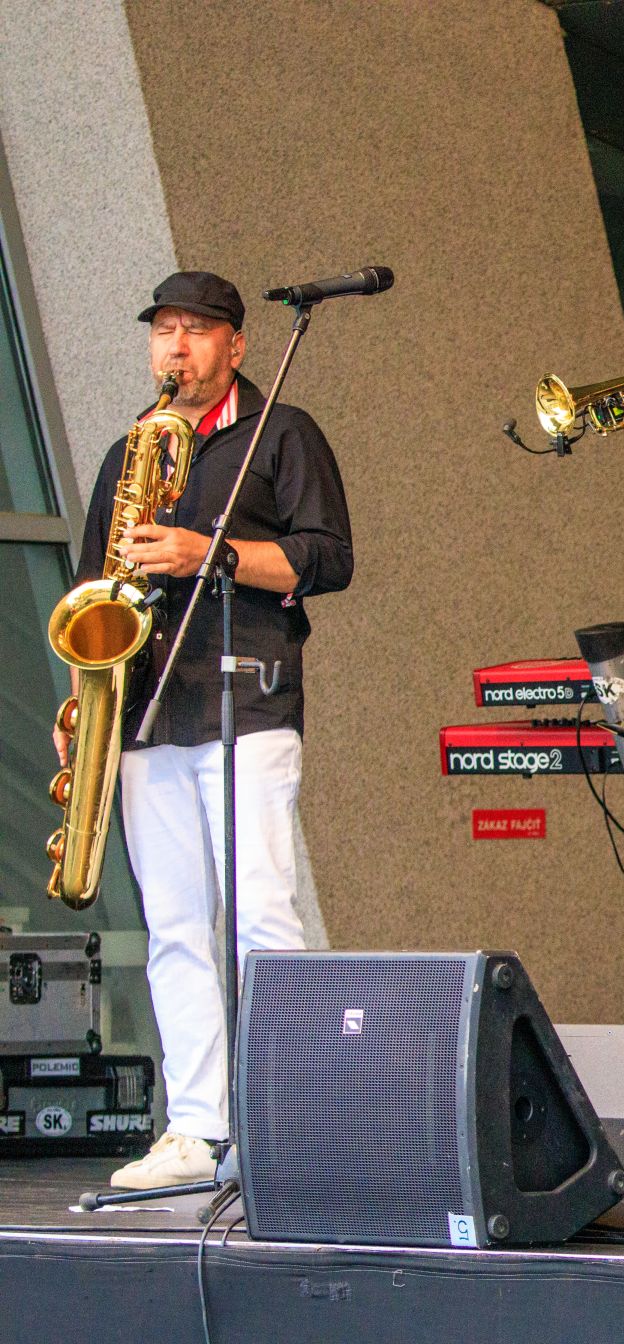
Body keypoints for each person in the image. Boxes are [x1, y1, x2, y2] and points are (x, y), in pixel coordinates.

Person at [58, 271, 352, 1190]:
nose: (175, 347)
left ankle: (289, 1121)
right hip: (146, 712)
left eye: (195, 330)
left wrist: (208, 554)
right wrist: (82, 707)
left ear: (237, 344)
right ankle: (196, 1127)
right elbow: (92, 592)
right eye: (164, 331)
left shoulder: (281, 432)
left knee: (262, 914)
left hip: (247, 705)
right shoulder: (128, 451)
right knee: (175, 925)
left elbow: (329, 558)